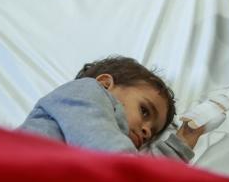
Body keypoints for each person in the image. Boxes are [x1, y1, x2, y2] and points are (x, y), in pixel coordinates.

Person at [19, 55, 204, 162]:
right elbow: (98, 138)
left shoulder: (119, 149)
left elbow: (149, 174)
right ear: (105, 84)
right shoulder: (85, 91)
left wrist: (181, 145)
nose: (147, 131)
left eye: (153, 133)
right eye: (144, 111)